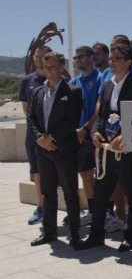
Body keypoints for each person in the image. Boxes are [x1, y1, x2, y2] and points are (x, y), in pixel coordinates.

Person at [74, 44, 132, 252]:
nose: (111, 62)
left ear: (128, 62)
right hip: (105, 150)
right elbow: (101, 114)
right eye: (111, 59)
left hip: (126, 150)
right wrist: (95, 131)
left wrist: (124, 136)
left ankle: (131, 236)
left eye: (117, 59)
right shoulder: (107, 85)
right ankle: (96, 235)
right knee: (102, 191)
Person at [27, 52, 83, 247]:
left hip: (64, 150)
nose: (48, 70)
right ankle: (49, 232)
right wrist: (41, 139)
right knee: (48, 191)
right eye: (45, 67)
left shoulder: (73, 91)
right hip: (43, 150)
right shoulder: (37, 91)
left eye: (52, 67)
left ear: (61, 68)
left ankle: (75, 232)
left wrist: (52, 137)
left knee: (70, 192)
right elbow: (31, 118)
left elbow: (72, 120)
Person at [68, 46, 103, 227]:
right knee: (85, 174)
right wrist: (76, 131)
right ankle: (91, 210)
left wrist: (86, 128)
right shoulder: (74, 82)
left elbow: (99, 108)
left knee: (103, 177)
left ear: (91, 58)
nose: (78, 60)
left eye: (81, 57)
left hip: (95, 136)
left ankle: (108, 212)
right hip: (79, 138)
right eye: (76, 58)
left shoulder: (100, 79)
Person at [19, 45, 52, 225]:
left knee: (57, 172)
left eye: (43, 56)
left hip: (54, 135)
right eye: (37, 56)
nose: (39, 59)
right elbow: (26, 108)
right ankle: (41, 208)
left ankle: (56, 208)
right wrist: (37, 132)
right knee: (37, 172)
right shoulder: (27, 80)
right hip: (34, 135)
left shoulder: (59, 79)